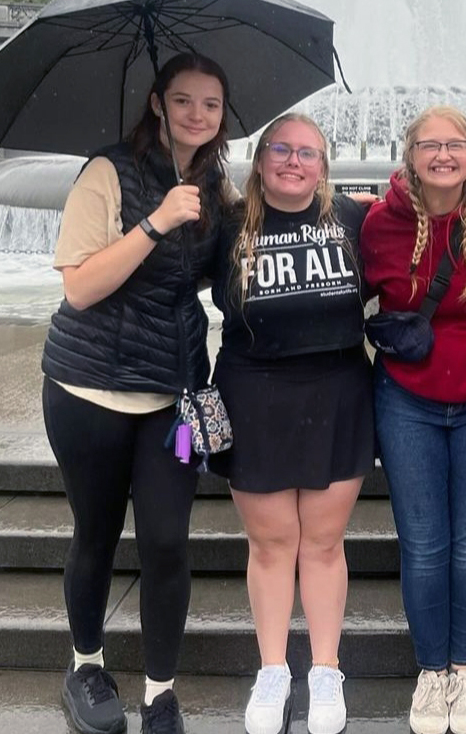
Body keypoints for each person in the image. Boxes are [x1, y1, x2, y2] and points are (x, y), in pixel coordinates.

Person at [41, 52, 232, 734]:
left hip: (173, 399)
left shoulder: (212, 184)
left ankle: (160, 691)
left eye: (211, 105)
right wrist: (154, 221)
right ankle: (85, 664)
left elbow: (227, 269)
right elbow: (81, 286)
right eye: (184, 101)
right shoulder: (106, 171)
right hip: (86, 391)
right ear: (158, 103)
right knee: (94, 533)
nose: (197, 116)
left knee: (166, 541)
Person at [360, 105, 466, 734]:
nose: (443, 155)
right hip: (408, 398)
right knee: (424, 544)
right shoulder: (380, 221)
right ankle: (433, 673)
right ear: (410, 154)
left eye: (455, 144)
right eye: (430, 145)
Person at [210, 113, 374, 734]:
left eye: (308, 152)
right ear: (259, 160)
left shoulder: (354, 220)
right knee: (273, 544)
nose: (293, 161)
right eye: (281, 148)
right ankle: (273, 669)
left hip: (339, 392)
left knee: (324, 544)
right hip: (254, 393)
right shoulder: (225, 225)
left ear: (323, 165)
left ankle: (326, 670)